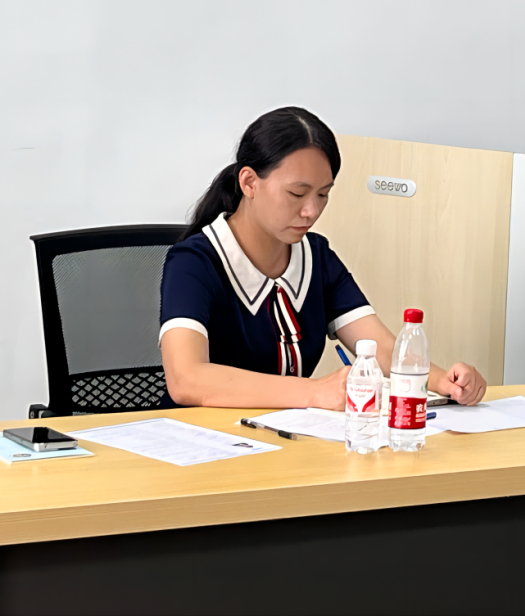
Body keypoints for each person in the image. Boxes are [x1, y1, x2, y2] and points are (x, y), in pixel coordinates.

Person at [160, 107, 487, 409]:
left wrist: (443, 381)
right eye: (297, 193)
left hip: (279, 439)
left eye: (323, 194)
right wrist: (314, 392)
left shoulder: (316, 256)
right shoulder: (194, 262)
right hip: (198, 442)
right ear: (249, 182)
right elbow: (186, 379)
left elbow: (379, 348)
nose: (311, 211)